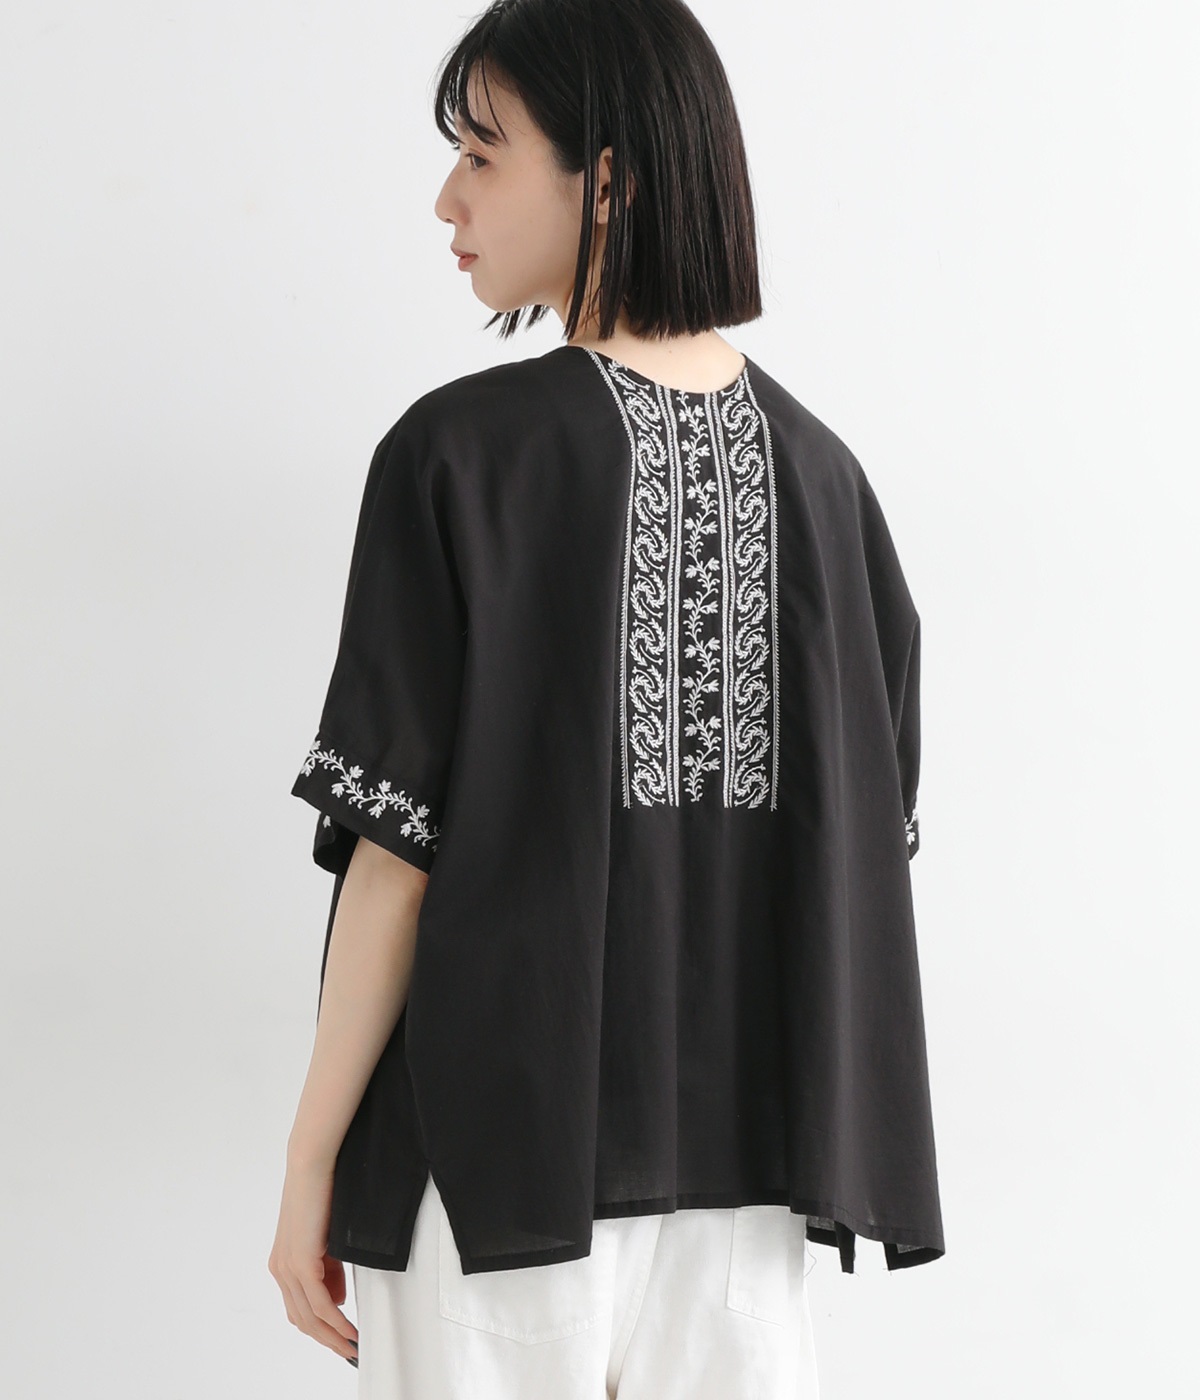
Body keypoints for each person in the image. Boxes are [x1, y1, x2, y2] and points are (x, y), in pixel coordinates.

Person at [268, 1, 944, 1396]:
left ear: (611, 179)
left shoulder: (456, 459)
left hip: (488, 1183)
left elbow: (395, 865)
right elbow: (862, 859)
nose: (446, 198)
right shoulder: (831, 486)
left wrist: (310, 1162)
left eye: (483, 154)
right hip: (753, 1199)